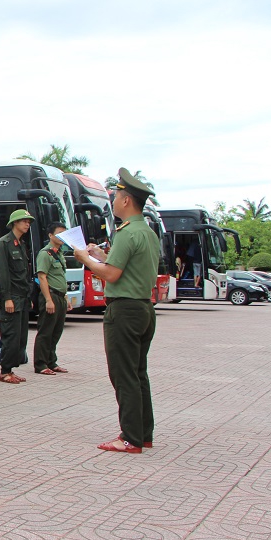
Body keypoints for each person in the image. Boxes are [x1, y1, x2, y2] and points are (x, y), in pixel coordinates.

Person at [74, 168, 160, 454]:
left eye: (116, 196)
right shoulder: (146, 232)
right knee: (138, 373)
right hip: (144, 309)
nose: (113, 202)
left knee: (124, 375)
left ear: (125, 201)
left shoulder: (125, 233)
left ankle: (130, 438)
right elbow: (124, 266)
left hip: (123, 310)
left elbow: (111, 275)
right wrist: (102, 256)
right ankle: (143, 433)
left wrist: (86, 258)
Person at [0, 209, 35, 384]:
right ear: (14, 223)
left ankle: (11, 369)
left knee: (20, 337)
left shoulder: (21, 243)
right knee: (10, 335)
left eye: (28, 221)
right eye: (24, 221)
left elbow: (25, 274)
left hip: (22, 296)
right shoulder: (4, 243)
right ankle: (5, 371)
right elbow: (3, 273)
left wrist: (29, 297)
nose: (27, 224)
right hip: (12, 296)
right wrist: (7, 298)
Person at [34, 222, 70, 376]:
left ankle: (51, 361)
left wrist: (66, 297)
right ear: (50, 235)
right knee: (46, 331)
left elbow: (61, 276)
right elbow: (42, 277)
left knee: (56, 331)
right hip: (51, 295)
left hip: (60, 296)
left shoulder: (59, 253)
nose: (62, 237)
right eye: (59, 233)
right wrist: (48, 300)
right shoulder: (45, 254)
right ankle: (40, 364)